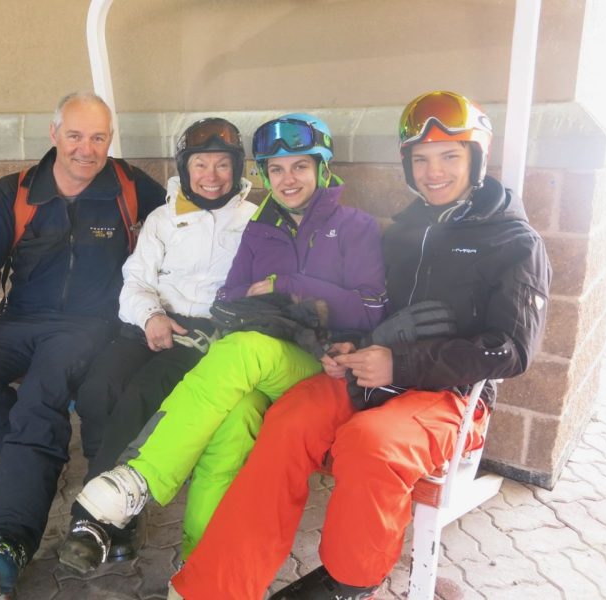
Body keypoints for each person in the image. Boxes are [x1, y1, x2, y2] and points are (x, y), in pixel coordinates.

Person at [168, 90, 552, 600]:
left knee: (369, 444)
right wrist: (349, 346)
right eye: (421, 159)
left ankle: (352, 579)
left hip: (449, 397)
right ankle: (214, 588)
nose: (433, 171)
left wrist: (401, 360)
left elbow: (511, 350)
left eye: (449, 156)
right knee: (285, 421)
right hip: (372, 377)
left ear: (476, 158)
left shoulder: (513, 241)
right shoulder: (404, 231)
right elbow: (373, 311)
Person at [74, 113, 388, 566]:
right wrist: (267, 297)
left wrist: (287, 285)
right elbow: (228, 298)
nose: (288, 179)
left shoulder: (355, 225)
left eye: (300, 166)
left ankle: (141, 477)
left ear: (322, 168)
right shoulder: (263, 227)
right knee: (231, 426)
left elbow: (371, 308)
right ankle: (199, 564)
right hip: (274, 354)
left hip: (326, 364)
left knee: (236, 350)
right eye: (275, 169)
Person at [0, 92, 166, 599]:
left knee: (41, 395)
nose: (86, 148)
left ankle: (7, 537)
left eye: (98, 137)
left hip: (89, 325)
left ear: (109, 140)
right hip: (21, 320)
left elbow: (185, 225)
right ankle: (42, 463)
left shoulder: (127, 185)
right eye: (75, 135)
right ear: (54, 134)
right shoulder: (15, 192)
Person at [56, 117, 259, 573]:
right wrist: (151, 317)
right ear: (185, 168)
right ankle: (122, 507)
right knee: (98, 388)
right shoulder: (164, 219)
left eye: (222, 165)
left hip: (201, 335)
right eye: (200, 164)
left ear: (238, 168)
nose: (210, 176)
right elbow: (135, 281)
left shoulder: (253, 222)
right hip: (148, 322)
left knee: (139, 397)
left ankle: (92, 522)